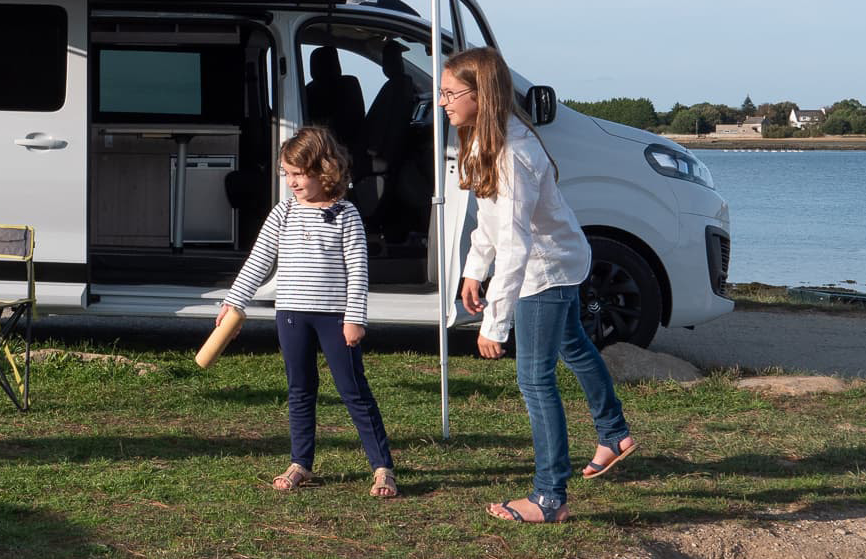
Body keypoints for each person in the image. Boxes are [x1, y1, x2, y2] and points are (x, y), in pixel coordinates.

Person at [441, 47, 637, 524]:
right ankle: (613, 433)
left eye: (449, 93)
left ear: (479, 95)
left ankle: (550, 497)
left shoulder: (512, 154)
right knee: (571, 343)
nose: (441, 101)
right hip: (557, 259)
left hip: (543, 271)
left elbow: (516, 246)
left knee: (534, 379)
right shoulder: (479, 140)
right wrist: (472, 269)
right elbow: (488, 222)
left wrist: (495, 323)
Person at [218, 126, 398, 498]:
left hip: (334, 318)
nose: (292, 182)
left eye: (298, 174)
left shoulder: (346, 214)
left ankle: (382, 468)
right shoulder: (282, 212)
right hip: (291, 316)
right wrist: (235, 302)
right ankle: (301, 462)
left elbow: (358, 269)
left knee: (353, 391)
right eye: (287, 174)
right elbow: (259, 261)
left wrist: (354, 318)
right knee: (300, 390)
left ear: (324, 170)